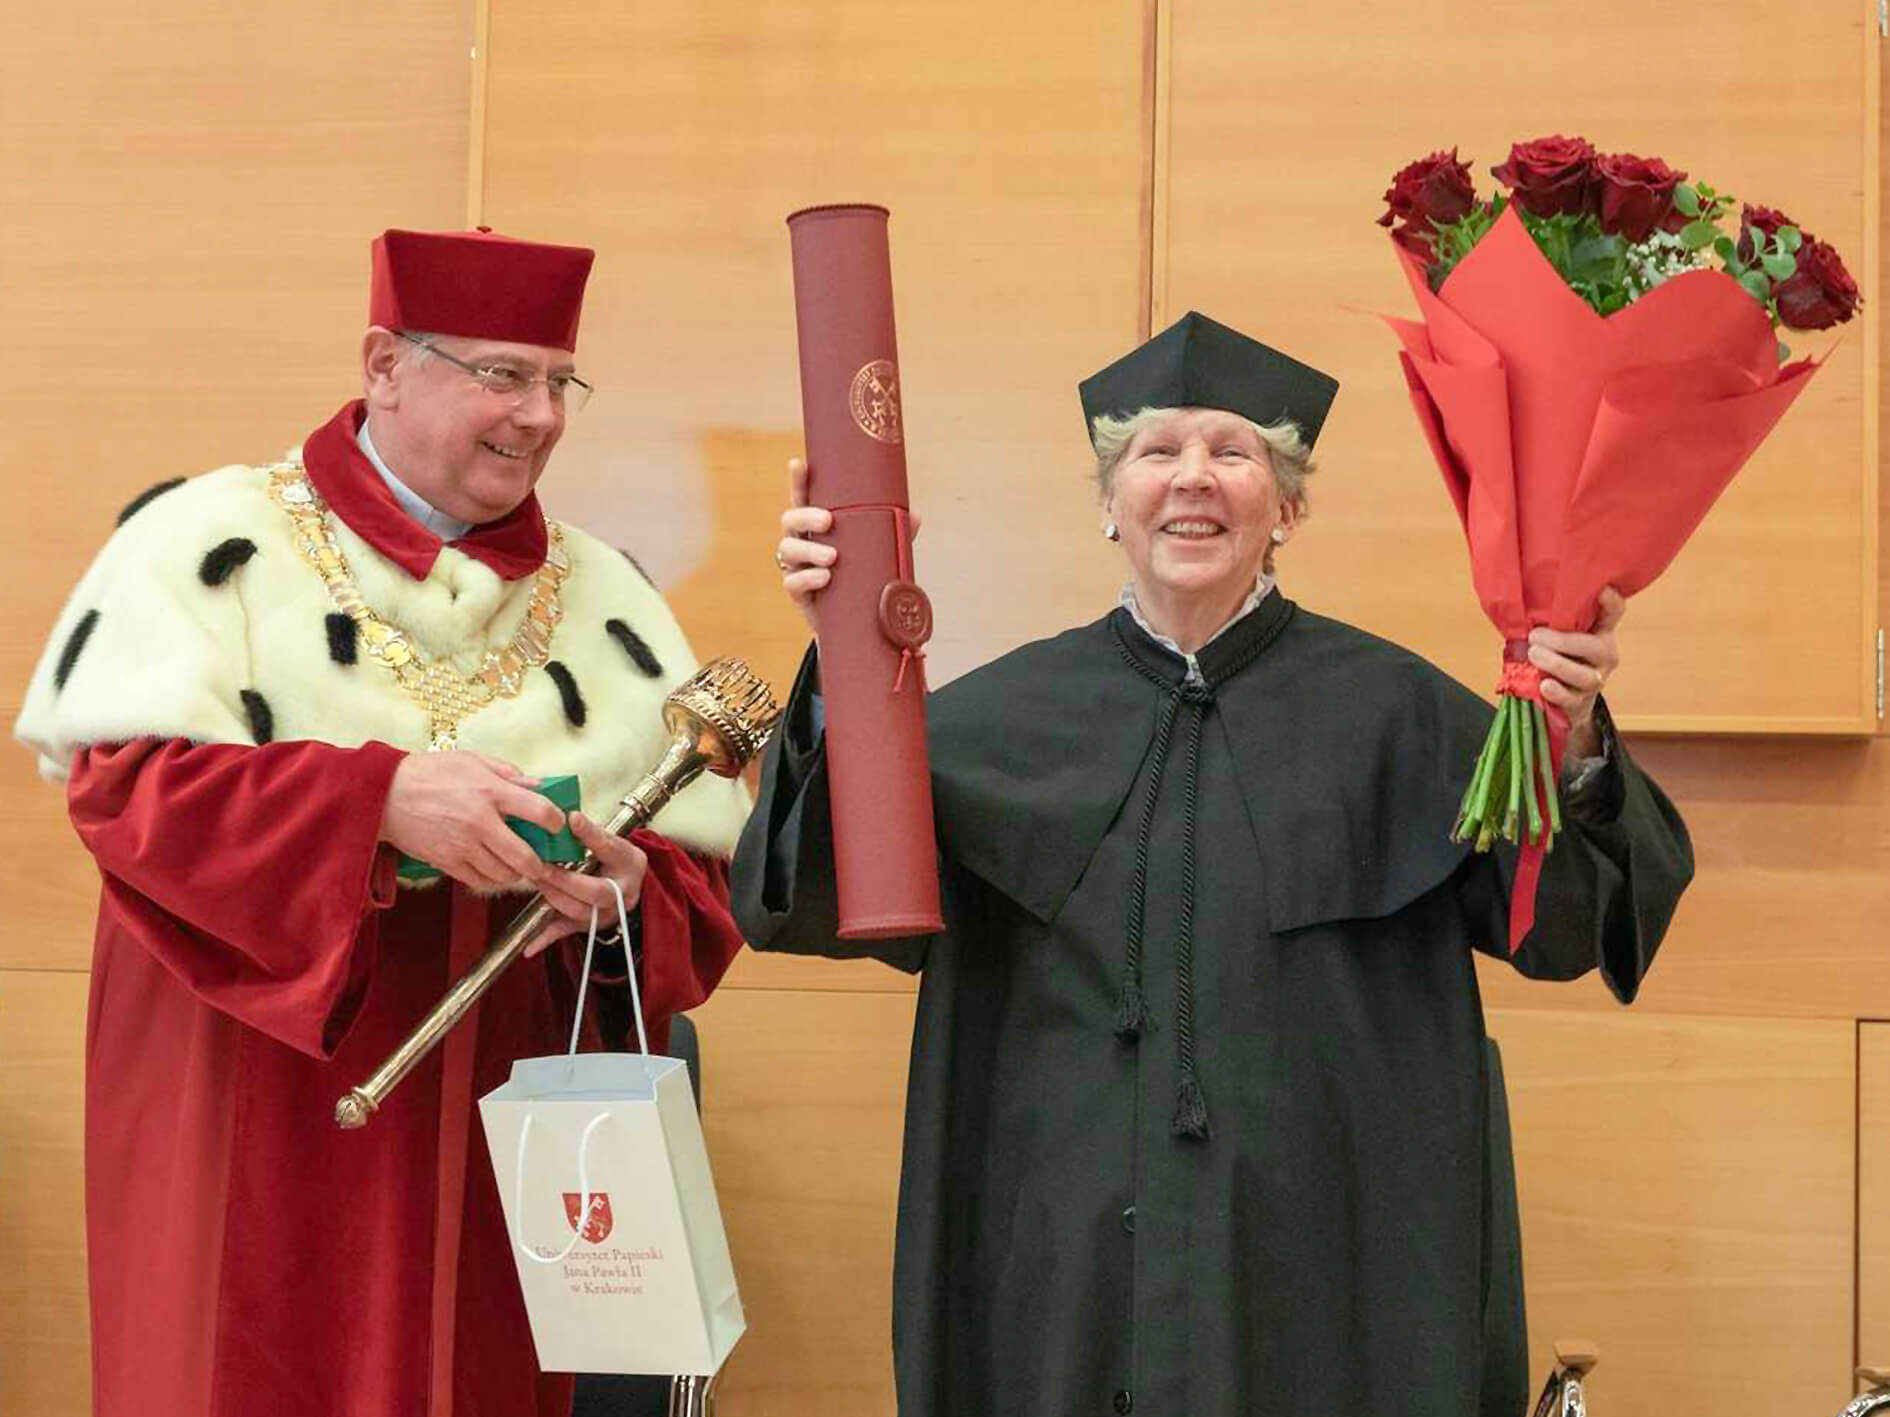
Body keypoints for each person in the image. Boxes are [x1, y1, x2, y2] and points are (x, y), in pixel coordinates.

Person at [734, 311, 1693, 1416]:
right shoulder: (988, 726)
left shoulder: (1404, 718)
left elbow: (1567, 928)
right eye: (1157, 450)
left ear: (1286, 509)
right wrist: (842, 653)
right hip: (1059, 1274)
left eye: (1234, 451)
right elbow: (806, 898)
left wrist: (1571, 742)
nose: (1193, 476)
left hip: (1331, 1275)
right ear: (1109, 502)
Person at [14, 227, 752, 1417]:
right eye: (503, 375)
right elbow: (127, 794)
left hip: (497, 1136)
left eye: (560, 382)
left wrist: (622, 895)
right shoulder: (211, 541)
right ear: (385, 365)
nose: (541, 415)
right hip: (254, 1110)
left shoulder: (606, 592)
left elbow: (694, 885)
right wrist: (377, 804)